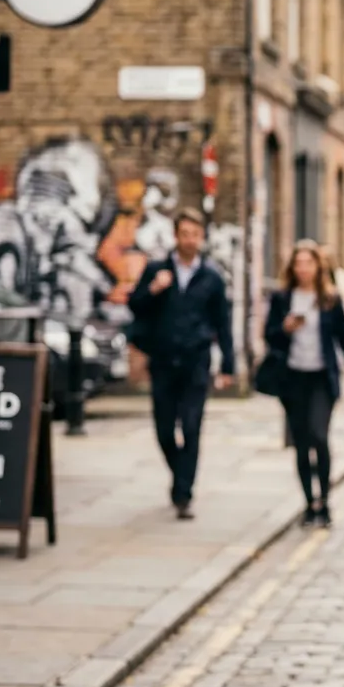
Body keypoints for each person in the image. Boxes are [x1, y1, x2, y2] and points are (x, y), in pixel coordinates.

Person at [127, 207, 235, 520]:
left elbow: (222, 324)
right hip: (162, 362)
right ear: (175, 235)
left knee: (190, 428)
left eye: (195, 234)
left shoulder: (211, 277)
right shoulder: (158, 269)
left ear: (201, 238)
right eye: (184, 234)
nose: (189, 240)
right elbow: (135, 305)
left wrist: (228, 366)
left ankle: (183, 494)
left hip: (196, 364)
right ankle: (181, 475)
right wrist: (153, 289)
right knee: (163, 431)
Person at [263, 240, 344, 527]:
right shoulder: (282, 298)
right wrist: (284, 328)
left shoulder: (329, 299)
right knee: (301, 442)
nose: (303, 268)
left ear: (317, 267)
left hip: (322, 378)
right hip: (293, 378)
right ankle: (310, 504)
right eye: (299, 263)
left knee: (319, 437)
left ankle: (325, 501)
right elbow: (269, 336)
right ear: (292, 267)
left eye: (309, 263)